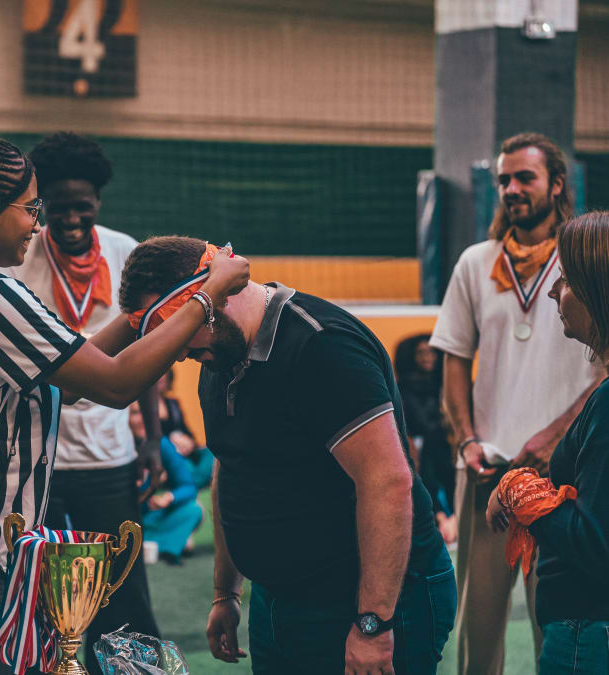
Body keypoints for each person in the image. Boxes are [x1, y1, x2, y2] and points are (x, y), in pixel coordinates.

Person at [0, 134, 249, 674]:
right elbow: (113, 386)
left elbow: (67, 381)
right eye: (29, 209)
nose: (36, 222)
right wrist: (204, 299)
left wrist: (154, 311)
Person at [118, 236, 455, 674]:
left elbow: (387, 482)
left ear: (214, 294)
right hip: (280, 599)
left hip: (366, 601)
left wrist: (373, 624)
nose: (179, 351)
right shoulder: (220, 358)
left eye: (180, 323)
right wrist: (226, 593)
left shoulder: (322, 346)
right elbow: (230, 467)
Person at [429, 132, 604, 675]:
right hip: (485, 474)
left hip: (560, 478)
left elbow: (602, 368)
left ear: (557, 184)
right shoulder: (474, 262)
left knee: (560, 613)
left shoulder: (586, 263)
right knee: (475, 632)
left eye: (524, 177)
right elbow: (454, 360)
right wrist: (467, 442)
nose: (510, 188)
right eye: (502, 179)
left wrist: (555, 438)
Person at [4, 132, 161, 670]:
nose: (71, 219)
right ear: (39, 203)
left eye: (83, 207)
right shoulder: (18, 258)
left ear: (98, 202)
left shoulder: (124, 251)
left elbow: (149, 350)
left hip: (108, 454)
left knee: (123, 589)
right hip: (37, 457)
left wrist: (153, 441)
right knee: (41, 590)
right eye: (58, 207)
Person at [485, 211, 609, 674]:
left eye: (566, 280)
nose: (556, 292)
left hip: (588, 629)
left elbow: (596, 545)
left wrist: (519, 491)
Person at [394, 334, 456, 546]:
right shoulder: (404, 387)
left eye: (430, 352)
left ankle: (451, 517)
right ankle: (440, 516)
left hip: (445, 445)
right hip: (418, 446)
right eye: (421, 353)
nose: (427, 357)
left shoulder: (444, 384)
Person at [130, 401, 203, 564]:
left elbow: (188, 486)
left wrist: (169, 497)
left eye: (146, 413)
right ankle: (167, 543)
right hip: (122, 517)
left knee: (194, 510)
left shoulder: (162, 444)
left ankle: (150, 546)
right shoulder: (117, 446)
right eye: (135, 413)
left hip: (148, 518)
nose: (142, 419)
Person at [157, 369, 214, 490]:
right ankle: (193, 480)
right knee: (188, 468)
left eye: (164, 374)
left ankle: (188, 480)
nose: (161, 378)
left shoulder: (173, 403)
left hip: (187, 452)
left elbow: (187, 431)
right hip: (168, 455)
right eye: (158, 374)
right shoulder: (141, 407)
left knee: (211, 453)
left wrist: (190, 442)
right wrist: (173, 443)